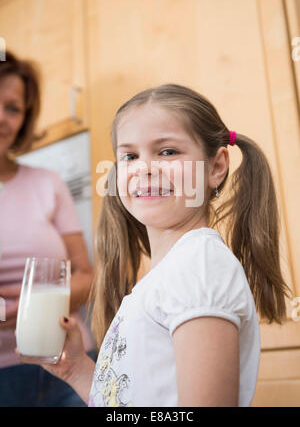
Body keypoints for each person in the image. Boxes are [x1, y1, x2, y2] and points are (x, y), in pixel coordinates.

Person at [26, 83, 291, 407]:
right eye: (130, 156)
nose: (144, 168)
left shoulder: (199, 266)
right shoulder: (170, 273)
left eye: (167, 151)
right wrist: (78, 370)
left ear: (216, 167)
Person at [0, 50, 96, 407]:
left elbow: (86, 274)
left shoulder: (48, 183)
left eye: (12, 108)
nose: (1, 118)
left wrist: (34, 306)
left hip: (69, 361)